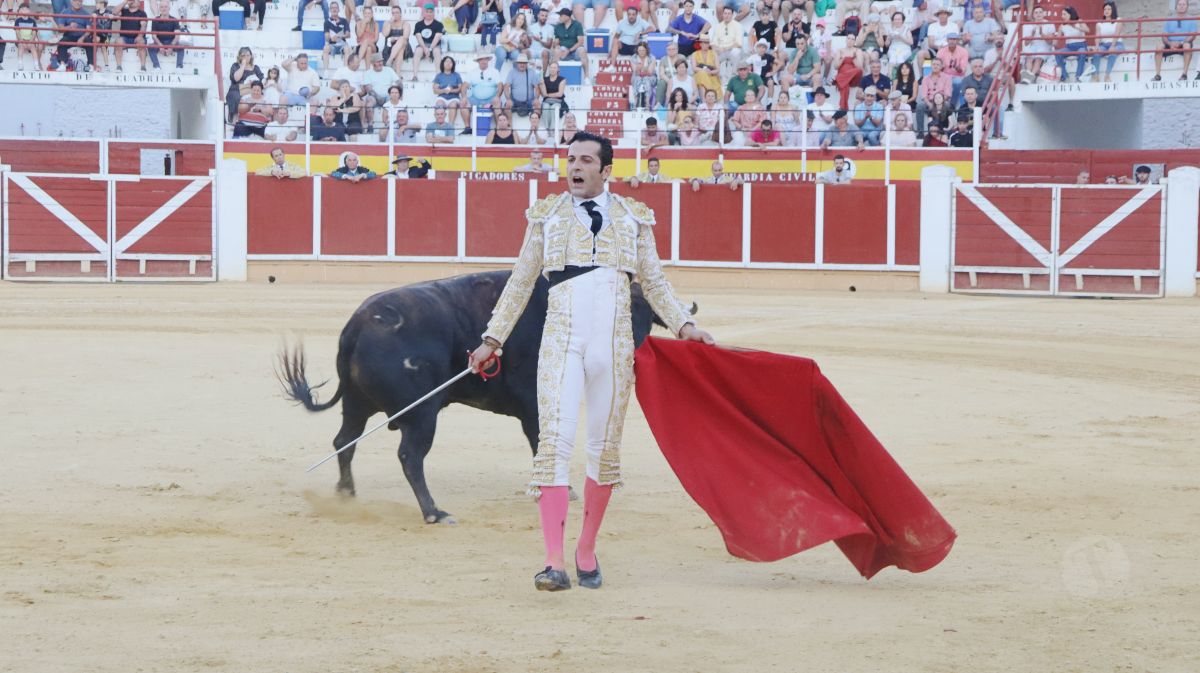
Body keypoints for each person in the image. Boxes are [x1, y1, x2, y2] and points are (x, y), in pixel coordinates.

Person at [469, 131, 714, 592]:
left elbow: (655, 284)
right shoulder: (546, 216)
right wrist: (492, 338)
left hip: (614, 345)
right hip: (562, 342)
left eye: (585, 160)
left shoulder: (634, 218)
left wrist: (684, 326)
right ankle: (553, 562)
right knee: (554, 445)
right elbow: (520, 283)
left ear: (606, 170)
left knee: (604, 450)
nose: (574, 168)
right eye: (570, 160)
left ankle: (585, 549)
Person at [1155, 0, 1197, 81]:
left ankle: (1184, 74)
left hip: (1184, 44)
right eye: (1179, 4)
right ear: (1176, 6)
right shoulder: (1169, 19)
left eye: (1184, 4)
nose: (1181, 6)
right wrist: (1170, 44)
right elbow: (1164, 35)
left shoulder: (1192, 19)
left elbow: (1193, 35)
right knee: (1159, 46)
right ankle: (1157, 75)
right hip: (1170, 44)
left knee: (1187, 46)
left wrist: (1181, 43)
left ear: (1187, 6)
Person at [51, 0, 95, 71]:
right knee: (62, 42)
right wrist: (69, 27)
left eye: (80, 1)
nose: (77, 3)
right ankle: (63, 64)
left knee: (90, 42)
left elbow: (88, 30)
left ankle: (91, 65)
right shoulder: (65, 12)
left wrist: (82, 38)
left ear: (82, 2)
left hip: (82, 36)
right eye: (75, 1)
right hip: (69, 35)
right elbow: (60, 29)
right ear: (71, 2)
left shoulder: (86, 14)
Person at [1090, 2, 1124, 83]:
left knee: (1112, 51)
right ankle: (1096, 75)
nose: (1106, 11)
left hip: (1117, 43)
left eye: (1109, 9)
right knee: (1096, 53)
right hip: (1104, 45)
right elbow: (1097, 36)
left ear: (1113, 10)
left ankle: (1107, 75)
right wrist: (1097, 46)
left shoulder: (1118, 20)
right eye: (1105, 9)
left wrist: (1113, 45)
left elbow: (1117, 33)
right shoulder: (1099, 23)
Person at [1053, 7, 1089, 83]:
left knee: (1082, 52)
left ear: (1070, 14)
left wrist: (1075, 26)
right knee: (1058, 53)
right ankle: (1065, 76)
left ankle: (1078, 76)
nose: (1062, 16)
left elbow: (1087, 30)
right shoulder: (1062, 26)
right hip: (1069, 47)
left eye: (1064, 14)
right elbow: (1057, 39)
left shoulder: (1079, 21)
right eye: (1062, 14)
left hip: (1081, 45)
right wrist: (1051, 40)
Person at [411, 3, 445, 83]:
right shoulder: (418, 24)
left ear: (433, 13)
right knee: (418, 51)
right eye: (427, 11)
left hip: (434, 45)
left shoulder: (439, 24)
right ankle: (415, 76)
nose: (429, 13)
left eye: (431, 12)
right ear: (423, 13)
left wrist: (429, 49)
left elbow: (437, 37)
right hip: (423, 45)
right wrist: (424, 48)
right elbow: (418, 37)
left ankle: (438, 76)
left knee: (436, 51)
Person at [113, 0, 149, 72]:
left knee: (141, 41)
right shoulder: (123, 11)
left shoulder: (142, 13)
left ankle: (143, 67)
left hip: (137, 38)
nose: (132, 1)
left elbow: (143, 25)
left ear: (138, 3)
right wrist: (125, 1)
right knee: (118, 41)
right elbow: (114, 12)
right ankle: (119, 67)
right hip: (125, 38)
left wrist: (140, 36)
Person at [554, 7, 587, 81]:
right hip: (563, 51)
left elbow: (580, 42)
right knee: (557, 50)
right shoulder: (558, 26)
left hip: (575, 51)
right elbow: (556, 41)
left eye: (561, 16)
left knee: (582, 51)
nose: (559, 18)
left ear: (566, 17)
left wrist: (569, 50)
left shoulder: (577, 25)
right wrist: (556, 45)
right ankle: (556, 77)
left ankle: (586, 77)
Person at [503, 53, 540, 118]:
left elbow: (537, 87)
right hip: (514, 101)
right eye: (520, 63)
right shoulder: (512, 72)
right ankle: (509, 126)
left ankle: (535, 126)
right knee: (507, 105)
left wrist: (536, 98)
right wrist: (508, 99)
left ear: (527, 64)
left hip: (529, 101)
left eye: (524, 63)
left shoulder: (532, 72)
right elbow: (506, 87)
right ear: (517, 63)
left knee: (537, 104)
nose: (522, 64)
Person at [711, 6, 745, 71]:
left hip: (732, 50)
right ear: (722, 14)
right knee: (713, 53)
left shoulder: (738, 26)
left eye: (729, 14)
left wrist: (725, 48)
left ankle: (734, 74)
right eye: (725, 13)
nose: (727, 15)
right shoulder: (718, 26)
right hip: (721, 51)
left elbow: (739, 44)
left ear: (732, 15)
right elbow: (714, 43)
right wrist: (716, 49)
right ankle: (718, 76)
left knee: (736, 52)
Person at [321, 1, 350, 70]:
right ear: (330, 10)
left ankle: (345, 71)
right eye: (332, 8)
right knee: (325, 48)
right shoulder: (327, 22)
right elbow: (327, 37)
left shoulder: (344, 20)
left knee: (347, 48)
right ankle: (326, 71)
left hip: (342, 44)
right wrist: (329, 37)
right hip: (332, 44)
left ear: (339, 9)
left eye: (336, 8)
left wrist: (340, 36)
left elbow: (348, 35)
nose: (334, 9)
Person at [539, 60, 568, 131]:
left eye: (555, 67)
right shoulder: (544, 79)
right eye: (551, 67)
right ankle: (546, 128)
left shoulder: (562, 79)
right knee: (545, 107)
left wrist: (548, 95)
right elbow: (544, 94)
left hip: (558, 101)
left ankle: (552, 129)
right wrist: (542, 84)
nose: (552, 69)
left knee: (554, 108)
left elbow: (560, 94)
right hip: (546, 101)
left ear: (558, 69)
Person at [632, 42, 660, 109]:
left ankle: (647, 103)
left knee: (646, 79)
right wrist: (644, 68)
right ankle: (635, 103)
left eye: (643, 50)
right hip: (637, 76)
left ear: (646, 50)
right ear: (637, 51)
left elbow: (650, 72)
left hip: (651, 77)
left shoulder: (652, 57)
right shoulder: (633, 57)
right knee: (637, 79)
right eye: (640, 50)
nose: (641, 52)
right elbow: (635, 72)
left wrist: (640, 68)